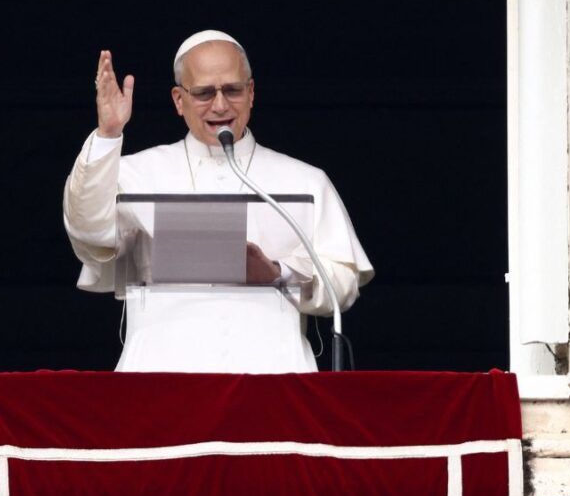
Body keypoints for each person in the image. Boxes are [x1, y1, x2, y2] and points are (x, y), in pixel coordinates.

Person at [63, 30, 373, 373]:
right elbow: (89, 232)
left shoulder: (305, 180)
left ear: (251, 93)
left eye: (233, 90)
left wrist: (277, 273)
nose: (221, 105)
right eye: (204, 93)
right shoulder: (135, 174)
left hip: (273, 375)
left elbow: (343, 283)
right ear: (178, 100)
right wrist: (108, 135)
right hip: (160, 374)